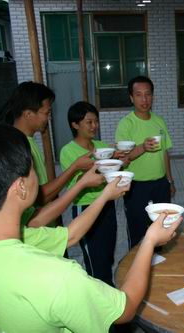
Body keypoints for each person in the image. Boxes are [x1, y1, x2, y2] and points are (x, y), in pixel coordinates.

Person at [0, 123, 181, 332]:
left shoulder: (20, 238)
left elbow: (70, 235)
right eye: (32, 168)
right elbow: (126, 308)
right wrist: (150, 240)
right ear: (20, 186)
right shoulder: (58, 276)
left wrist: (103, 194)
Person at [60, 102, 129, 285]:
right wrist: (101, 166)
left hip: (107, 205)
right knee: (94, 258)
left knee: (107, 253)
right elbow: (75, 184)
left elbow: (111, 173)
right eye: (89, 122)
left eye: (96, 122)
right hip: (85, 207)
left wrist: (120, 161)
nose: (94, 126)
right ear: (75, 125)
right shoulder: (68, 151)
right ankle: (97, 293)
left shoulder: (101, 146)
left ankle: (108, 287)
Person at [5, 82, 94, 216]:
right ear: (28, 114)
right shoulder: (17, 146)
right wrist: (75, 167)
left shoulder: (28, 140)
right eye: (47, 113)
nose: (49, 118)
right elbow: (39, 197)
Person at [115, 76, 175, 248]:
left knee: (162, 228)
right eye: (139, 95)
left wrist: (169, 180)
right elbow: (122, 159)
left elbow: (165, 153)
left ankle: (160, 266)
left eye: (148, 94)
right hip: (136, 187)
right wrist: (143, 147)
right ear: (131, 98)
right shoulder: (126, 124)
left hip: (160, 185)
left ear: (153, 96)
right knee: (138, 231)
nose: (144, 99)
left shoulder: (159, 121)